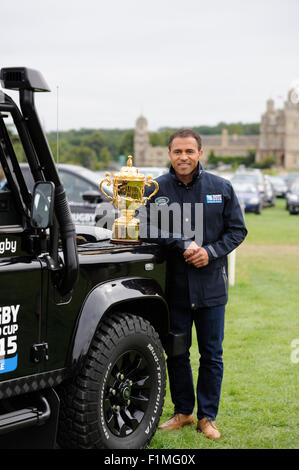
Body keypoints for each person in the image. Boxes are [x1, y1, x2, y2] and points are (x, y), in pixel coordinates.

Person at [140, 129, 247, 440]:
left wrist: (210, 252)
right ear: (170, 154)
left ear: (201, 153)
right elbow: (144, 224)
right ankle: (184, 412)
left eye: (189, 151)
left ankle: (207, 417)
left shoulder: (221, 187)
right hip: (174, 288)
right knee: (176, 352)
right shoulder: (154, 188)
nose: (183, 157)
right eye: (177, 152)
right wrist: (181, 244)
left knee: (212, 354)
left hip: (212, 287)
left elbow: (237, 230)